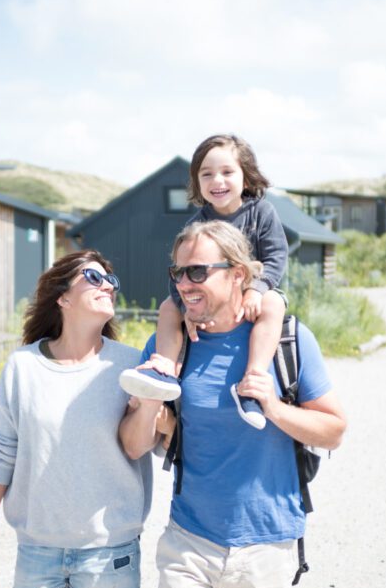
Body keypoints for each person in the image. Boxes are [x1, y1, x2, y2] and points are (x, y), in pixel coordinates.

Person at [119, 221, 347, 588]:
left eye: (198, 272)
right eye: (178, 273)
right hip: (188, 542)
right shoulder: (169, 347)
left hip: (267, 543)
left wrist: (274, 408)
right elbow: (134, 447)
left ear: (238, 274)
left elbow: (334, 430)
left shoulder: (287, 341)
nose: (184, 284)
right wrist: (152, 399)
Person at [0, 250, 161, 588]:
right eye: (93, 276)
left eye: (111, 280)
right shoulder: (22, 366)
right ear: (62, 297)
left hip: (108, 547)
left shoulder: (131, 366)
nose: (107, 284)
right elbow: (2, 452)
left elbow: (144, 445)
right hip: (38, 545)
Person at [119, 134, 289, 429]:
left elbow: (276, 257)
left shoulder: (262, 212)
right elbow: (182, 273)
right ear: (197, 182)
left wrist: (257, 289)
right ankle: (164, 371)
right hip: (208, 301)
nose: (217, 180)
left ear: (246, 178)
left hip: (256, 291)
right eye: (206, 174)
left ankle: (253, 382)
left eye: (227, 172)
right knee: (167, 308)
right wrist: (188, 309)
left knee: (274, 304)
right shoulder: (195, 225)